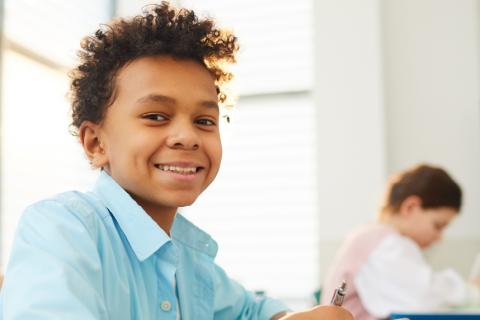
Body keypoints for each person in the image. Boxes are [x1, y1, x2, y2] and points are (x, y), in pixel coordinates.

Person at [0, 2, 353, 320]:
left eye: (204, 121)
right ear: (95, 144)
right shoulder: (62, 229)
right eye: (156, 116)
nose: (188, 136)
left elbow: (250, 309)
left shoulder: (186, 256)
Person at [321, 164, 480, 319]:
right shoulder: (384, 244)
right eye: (437, 225)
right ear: (410, 207)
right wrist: (472, 291)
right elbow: (422, 297)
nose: (439, 237)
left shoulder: (371, 237)